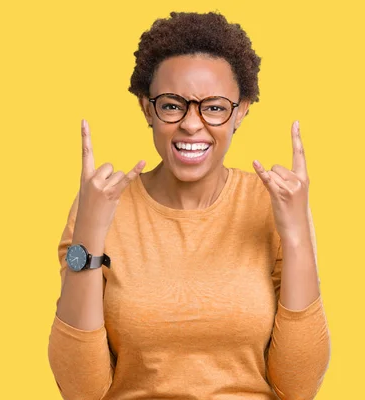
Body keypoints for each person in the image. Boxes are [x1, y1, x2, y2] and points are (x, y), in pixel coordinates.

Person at [47, 11, 331, 400]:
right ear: (148, 109)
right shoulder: (101, 206)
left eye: (214, 107)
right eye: (172, 105)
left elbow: (297, 388)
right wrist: (90, 235)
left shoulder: (274, 205)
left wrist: (297, 235)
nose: (192, 124)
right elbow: (82, 392)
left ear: (241, 110)